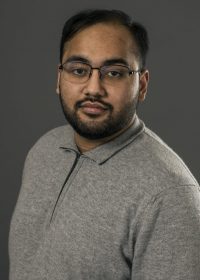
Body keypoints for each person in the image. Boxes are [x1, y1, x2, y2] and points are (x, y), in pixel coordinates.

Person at [9, 9, 200, 280]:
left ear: (142, 85)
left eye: (114, 73)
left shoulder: (169, 195)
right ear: (59, 78)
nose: (93, 88)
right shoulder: (43, 150)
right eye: (78, 70)